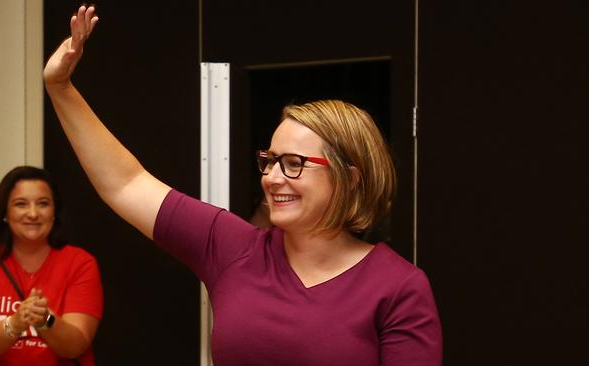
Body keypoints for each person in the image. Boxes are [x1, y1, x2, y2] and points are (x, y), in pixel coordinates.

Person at [43, 6, 442, 365]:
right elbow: (126, 183)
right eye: (269, 162)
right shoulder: (233, 248)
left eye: (293, 164)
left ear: (350, 178)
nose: (271, 178)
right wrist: (61, 89)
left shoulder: (398, 288)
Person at [0, 166, 104, 366]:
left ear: (54, 212)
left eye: (43, 204)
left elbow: (75, 346)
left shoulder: (81, 263)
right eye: (21, 204)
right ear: (5, 213)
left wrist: (46, 320)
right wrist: (14, 324)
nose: (33, 214)